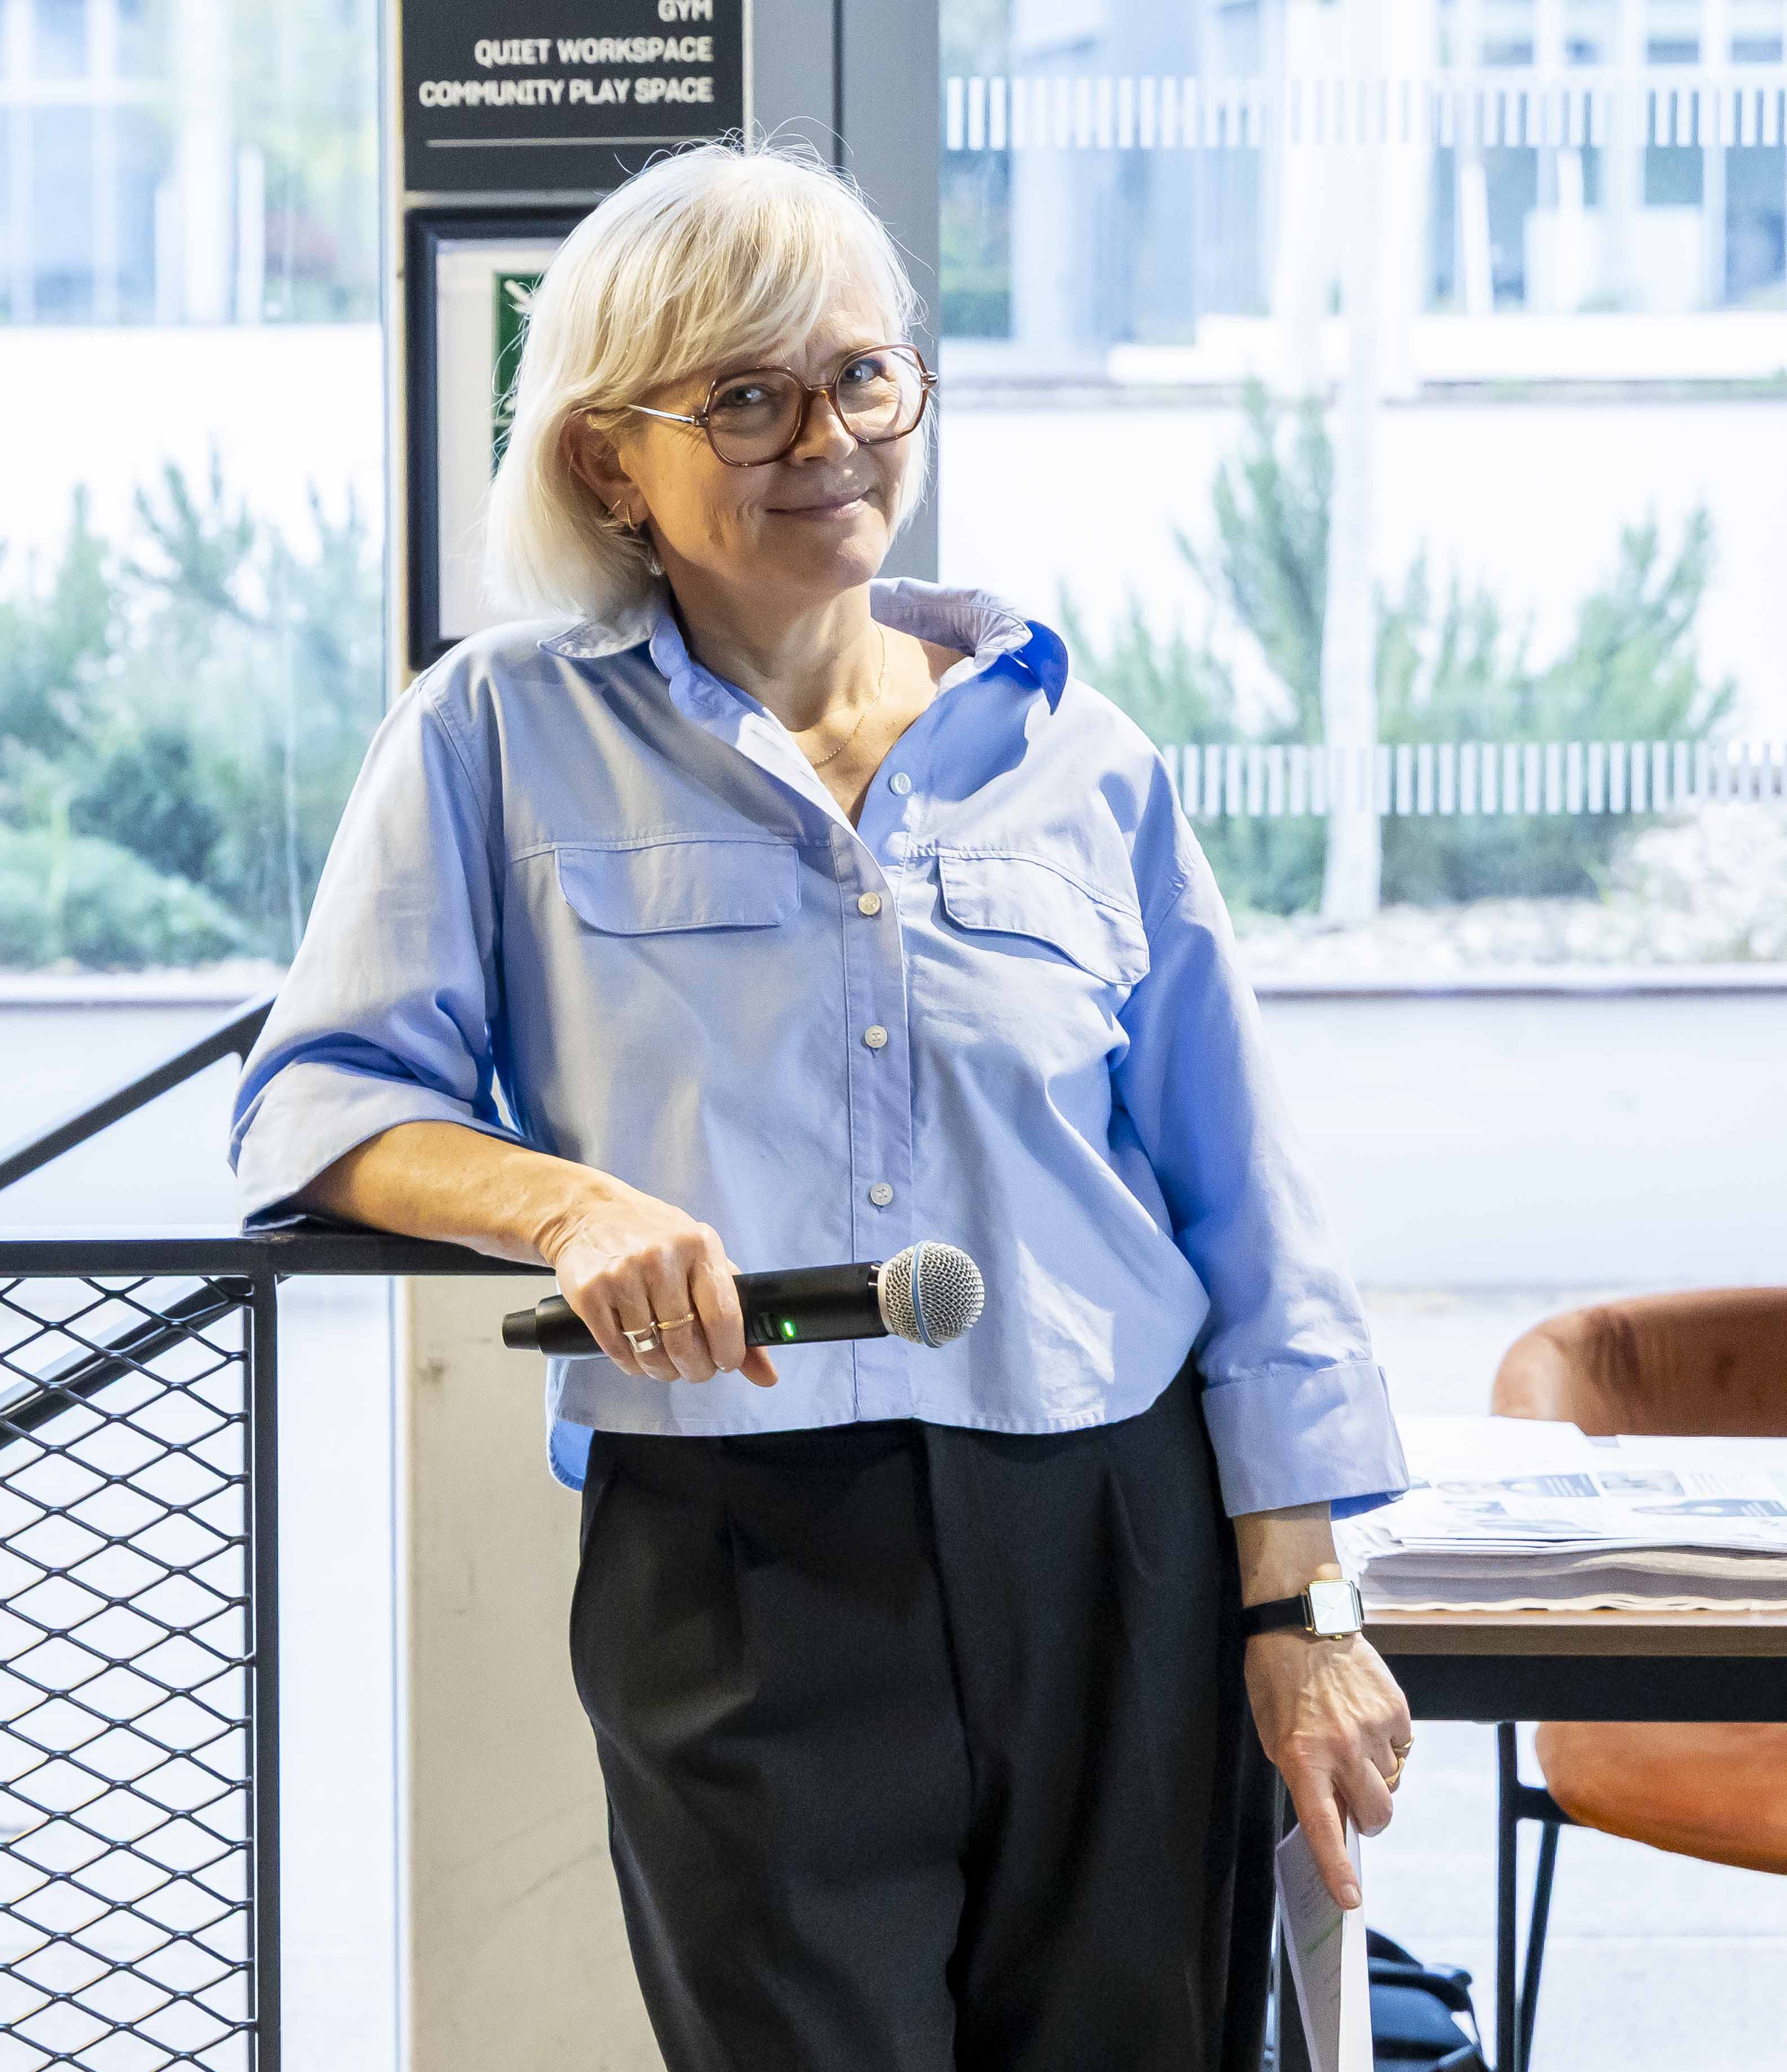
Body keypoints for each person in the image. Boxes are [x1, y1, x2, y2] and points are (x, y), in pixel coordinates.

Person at [231, 142, 1412, 2071]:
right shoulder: (494, 730)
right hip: (737, 1530)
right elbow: (320, 1103)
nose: (828, 438)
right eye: (748, 397)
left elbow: (1249, 1225)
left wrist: (1306, 1604)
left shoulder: (1074, 751)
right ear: (613, 459)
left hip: (1110, 1522)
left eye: (863, 378)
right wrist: (566, 1208)